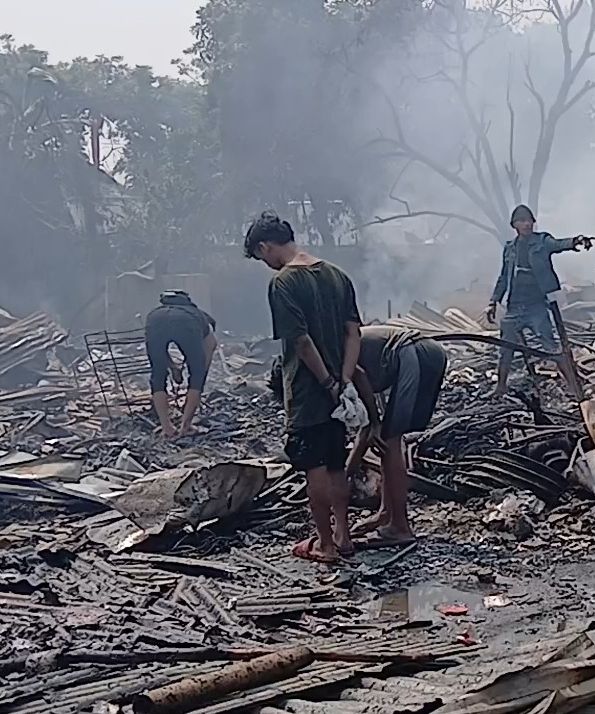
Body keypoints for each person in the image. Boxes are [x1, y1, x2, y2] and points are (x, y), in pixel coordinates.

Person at [245, 211, 363, 565]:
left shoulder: (283, 283)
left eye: (260, 255)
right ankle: (344, 535)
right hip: (340, 388)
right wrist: (343, 380)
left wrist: (325, 381)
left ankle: (324, 544)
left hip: (309, 391)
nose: (264, 263)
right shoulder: (337, 275)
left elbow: (300, 341)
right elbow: (353, 332)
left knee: (314, 466)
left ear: (266, 246)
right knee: (336, 463)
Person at [345, 325, 447, 545]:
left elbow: (359, 376)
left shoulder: (327, 355)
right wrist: (351, 466)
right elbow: (368, 427)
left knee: (391, 441)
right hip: (425, 352)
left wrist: (347, 471)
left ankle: (400, 526)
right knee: (387, 440)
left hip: (413, 353)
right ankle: (385, 513)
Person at [484, 204, 593, 397]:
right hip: (514, 307)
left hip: (536, 307)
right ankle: (500, 387)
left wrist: (576, 241)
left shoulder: (542, 241)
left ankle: (575, 390)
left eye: (529, 220)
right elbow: (503, 277)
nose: (527, 224)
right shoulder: (510, 248)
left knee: (552, 348)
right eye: (522, 221)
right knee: (506, 348)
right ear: (514, 225)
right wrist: (493, 301)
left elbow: (559, 244)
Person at [143, 289, 217, 438]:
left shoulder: (156, 313)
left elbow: (160, 355)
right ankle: (185, 427)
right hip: (188, 324)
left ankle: (167, 428)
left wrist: (173, 368)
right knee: (196, 377)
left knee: (158, 376)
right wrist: (200, 374)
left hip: (155, 322)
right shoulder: (197, 314)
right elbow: (211, 345)